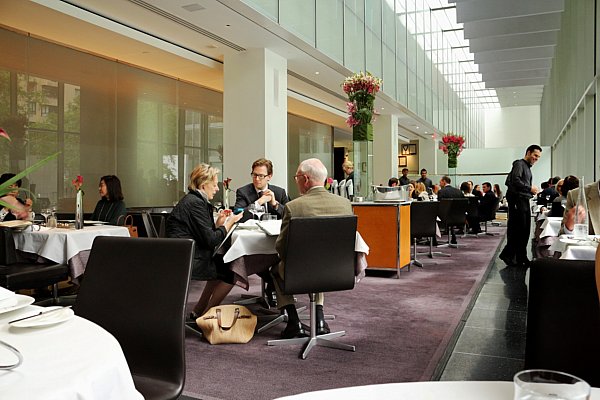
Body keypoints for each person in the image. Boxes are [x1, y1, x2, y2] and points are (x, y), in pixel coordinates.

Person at [272, 158, 353, 339]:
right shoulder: (345, 204)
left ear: (306, 179)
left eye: (297, 177)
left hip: (302, 272)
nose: (297, 181)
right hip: (338, 270)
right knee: (318, 262)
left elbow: (281, 247)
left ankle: (293, 322)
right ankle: (320, 320)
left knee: (277, 269)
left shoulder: (294, 207)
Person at [166, 164, 243, 319]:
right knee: (234, 271)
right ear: (203, 185)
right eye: (214, 185)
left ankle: (200, 310)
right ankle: (208, 315)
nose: (216, 189)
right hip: (187, 259)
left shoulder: (192, 200)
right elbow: (211, 240)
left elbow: (204, 234)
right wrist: (229, 223)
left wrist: (219, 223)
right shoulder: (195, 204)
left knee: (222, 263)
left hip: (182, 255)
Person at [499, 144, 542, 267]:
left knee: (523, 230)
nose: (536, 159)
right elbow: (515, 180)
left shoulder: (525, 167)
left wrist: (529, 190)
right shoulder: (519, 164)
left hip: (522, 200)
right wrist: (530, 188)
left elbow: (509, 181)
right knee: (518, 230)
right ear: (528, 152)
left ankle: (519, 257)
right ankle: (511, 256)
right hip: (518, 200)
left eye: (538, 157)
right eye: (535, 155)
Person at [234, 158, 289, 223]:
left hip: (275, 232)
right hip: (251, 232)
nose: (257, 179)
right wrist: (258, 203)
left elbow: (289, 216)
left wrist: (275, 205)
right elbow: (237, 216)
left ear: (269, 176)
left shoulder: (280, 192)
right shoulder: (243, 192)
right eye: (254, 175)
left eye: (261, 176)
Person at [437, 175, 464, 244]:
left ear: (444, 181)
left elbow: (440, 206)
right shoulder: (459, 192)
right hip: (459, 216)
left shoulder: (441, 192)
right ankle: (453, 236)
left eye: (440, 182)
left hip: (446, 217)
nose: (439, 184)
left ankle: (433, 240)